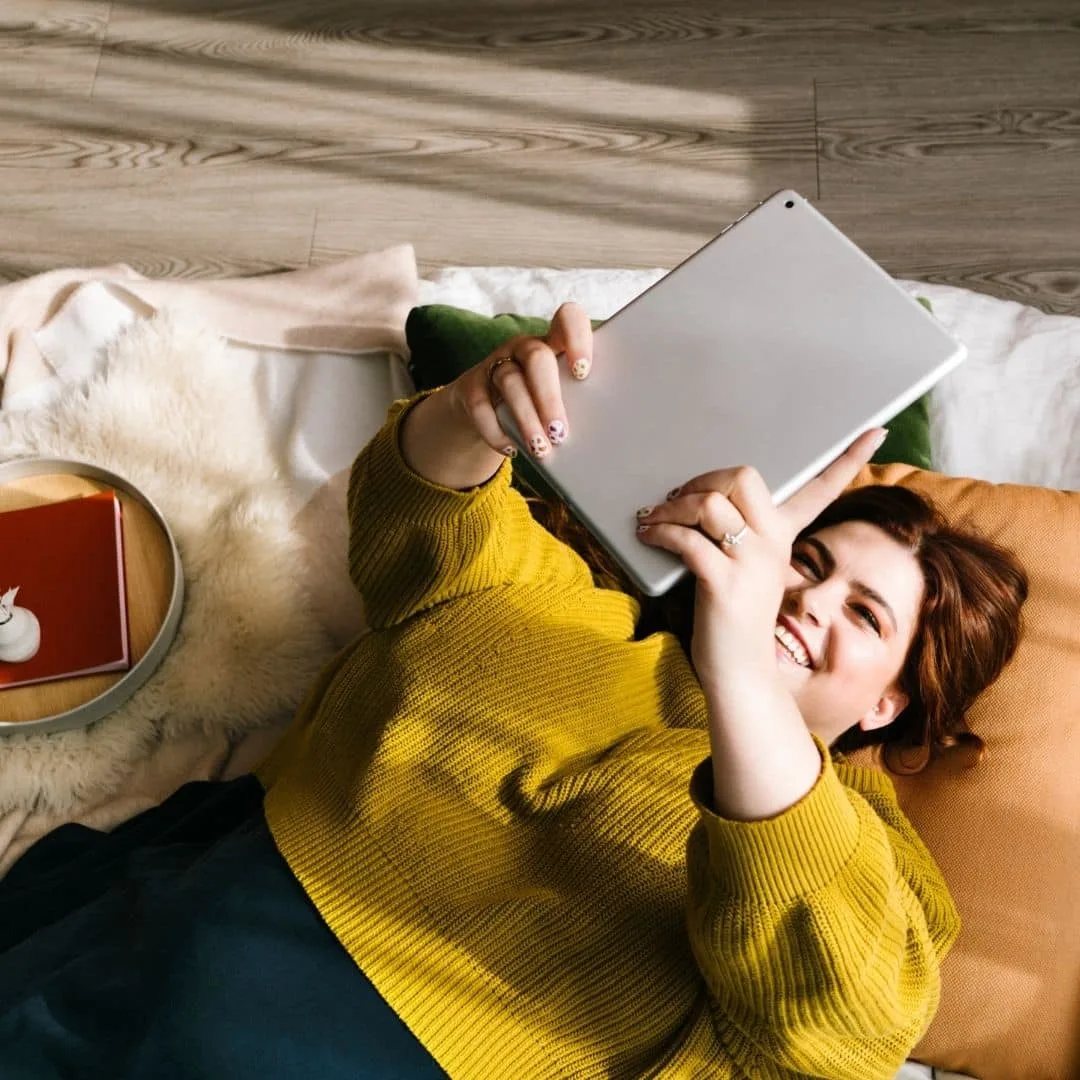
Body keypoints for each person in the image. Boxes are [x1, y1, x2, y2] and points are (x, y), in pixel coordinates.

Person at [0, 304, 1027, 1080]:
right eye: (806, 561)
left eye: (866, 617)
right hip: (186, 936)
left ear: (892, 703)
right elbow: (424, 521)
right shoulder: (565, 601)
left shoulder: (880, 866)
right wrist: (467, 413)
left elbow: (839, 1027)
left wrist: (739, 682)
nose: (809, 600)